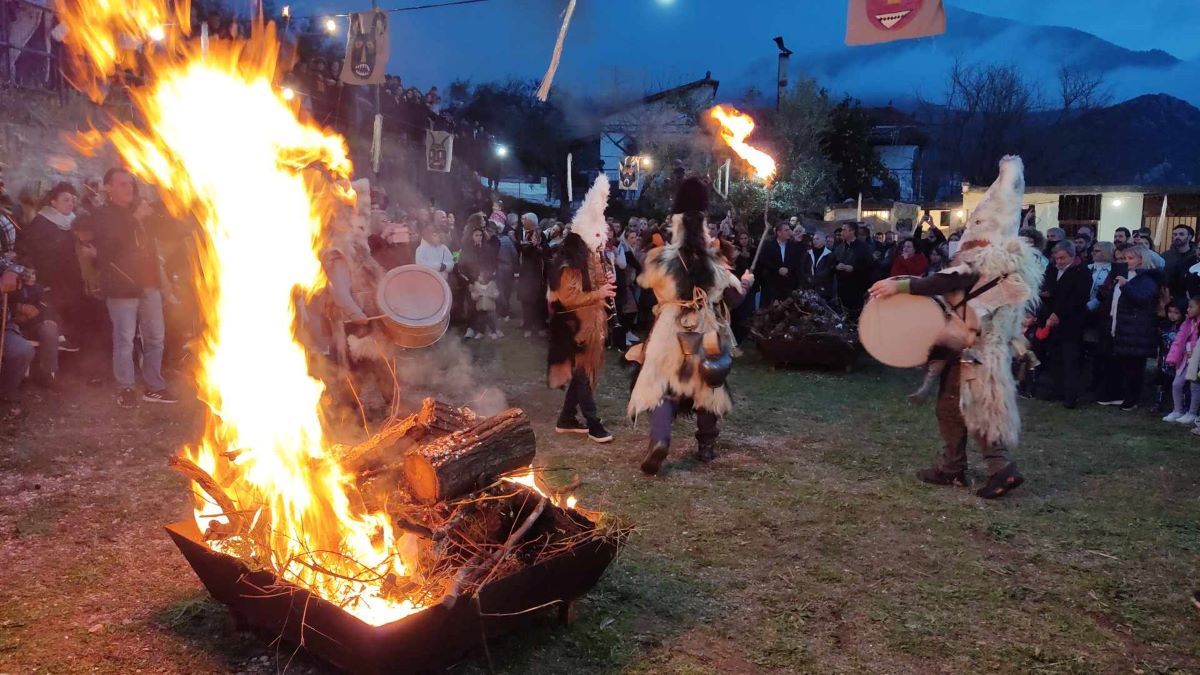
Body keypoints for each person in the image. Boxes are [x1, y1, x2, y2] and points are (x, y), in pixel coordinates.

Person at [868, 156, 1041, 499]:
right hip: (978, 349)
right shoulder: (1007, 271)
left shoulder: (983, 267)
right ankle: (955, 468)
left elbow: (939, 282)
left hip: (974, 352)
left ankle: (997, 470)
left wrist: (899, 286)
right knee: (958, 407)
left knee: (971, 409)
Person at [627, 177, 753, 474]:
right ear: (704, 227)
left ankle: (659, 439)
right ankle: (706, 446)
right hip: (703, 327)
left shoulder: (660, 258)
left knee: (660, 383)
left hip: (669, 328)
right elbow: (733, 298)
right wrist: (746, 283)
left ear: (676, 225)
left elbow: (643, 274)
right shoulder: (714, 262)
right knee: (708, 384)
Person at [90, 168, 177, 407]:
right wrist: (135, 219)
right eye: (122, 184)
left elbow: (170, 232)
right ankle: (126, 387)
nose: (129, 188)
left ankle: (154, 386)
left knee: (155, 338)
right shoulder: (102, 215)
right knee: (125, 339)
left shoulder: (141, 210)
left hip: (150, 284)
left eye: (130, 184)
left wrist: (163, 212)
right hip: (121, 287)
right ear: (108, 188)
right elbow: (108, 248)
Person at [546, 176, 615, 444]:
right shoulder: (568, 262)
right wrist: (600, 292)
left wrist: (606, 284)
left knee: (580, 374)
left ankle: (565, 418)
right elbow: (569, 296)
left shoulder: (588, 257)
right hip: (573, 325)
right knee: (584, 373)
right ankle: (594, 422)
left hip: (589, 323)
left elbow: (595, 282)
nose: (599, 247)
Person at [17, 182, 87, 352]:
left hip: (72, 281)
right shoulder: (41, 223)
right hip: (51, 280)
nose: (71, 204)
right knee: (55, 324)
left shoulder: (72, 222)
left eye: (72, 200)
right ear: (53, 203)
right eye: (66, 200)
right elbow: (34, 252)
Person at [1040, 241, 1092, 408]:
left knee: (1070, 360)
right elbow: (1049, 290)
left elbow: (1078, 298)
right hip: (1051, 321)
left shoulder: (1082, 272)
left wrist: (1058, 313)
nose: (1059, 262)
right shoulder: (1052, 270)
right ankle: (1056, 390)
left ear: (1072, 256)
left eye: (1062, 258)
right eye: (1056, 258)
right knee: (1055, 358)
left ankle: (1070, 397)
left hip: (1071, 323)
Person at [1109, 245, 1161, 411]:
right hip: (1123, 326)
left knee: (1135, 367)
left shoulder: (1147, 279)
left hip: (1138, 328)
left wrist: (1125, 286)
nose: (1126, 262)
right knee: (1126, 365)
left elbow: (1141, 298)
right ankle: (1125, 396)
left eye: (1130, 259)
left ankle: (1132, 399)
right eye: (1125, 259)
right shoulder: (1127, 276)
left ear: (1141, 260)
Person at [1164, 297, 1200, 424]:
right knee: (1177, 384)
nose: (1188, 309)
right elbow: (1179, 341)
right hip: (1186, 358)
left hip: (1197, 361)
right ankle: (1177, 410)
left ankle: (1192, 413)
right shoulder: (1187, 323)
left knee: (1195, 386)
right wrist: (1173, 357)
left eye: (1192, 307)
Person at [754, 221, 801, 307]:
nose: (789, 232)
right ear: (779, 233)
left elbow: (797, 263)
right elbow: (763, 261)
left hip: (787, 288)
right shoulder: (768, 246)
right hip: (771, 287)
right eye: (786, 230)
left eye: (789, 229)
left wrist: (788, 270)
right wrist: (778, 269)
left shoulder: (794, 247)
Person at [516, 213, 549, 337]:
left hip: (538, 273)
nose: (522, 221)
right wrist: (528, 245)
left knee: (539, 300)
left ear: (531, 222)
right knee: (526, 300)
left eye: (524, 219)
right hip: (526, 272)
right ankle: (528, 326)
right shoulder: (522, 233)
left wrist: (538, 246)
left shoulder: (541, 235)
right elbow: (522, 250)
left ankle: (540, 325)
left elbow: (547, 250)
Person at [834, 223, 873, 318]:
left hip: (857, 288)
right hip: (842, 288)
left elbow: (870, 265)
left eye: (844, 230)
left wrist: (854, 268)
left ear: (852, 231)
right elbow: (832, 262)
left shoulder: (864, 247)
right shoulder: (839, 247)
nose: (841, 232)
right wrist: (837, 266)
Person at [799, 230, 837, 302]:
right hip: (808, 288)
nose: (814, 241)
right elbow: (802, 268)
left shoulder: (830, 254)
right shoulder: (807, 253)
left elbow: (828, 271)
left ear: (823, 241)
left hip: (824, 290)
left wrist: (814, 279)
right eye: (813, 239)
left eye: (817, 239)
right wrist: (808, 277)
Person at [1164, 225, 1197, 299]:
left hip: (1192, 298)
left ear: (1189, 237)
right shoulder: (1165, 256)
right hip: (1170, 297)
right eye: (1175, 234)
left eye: (1181, 234)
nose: (1177, 237)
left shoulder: (1196, 257)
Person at [469, 270, 501, 340]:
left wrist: (493, 295)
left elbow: (496, 294)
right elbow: (473, 295)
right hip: (481, 307)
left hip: (490, 307)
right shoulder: (476, 285)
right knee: (480, 320)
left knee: (491, 320)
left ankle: (493, 332)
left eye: (480, 276)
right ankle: (481, 332)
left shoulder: (492, 285)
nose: (478, 277)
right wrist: (476, 295)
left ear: (485, 278)